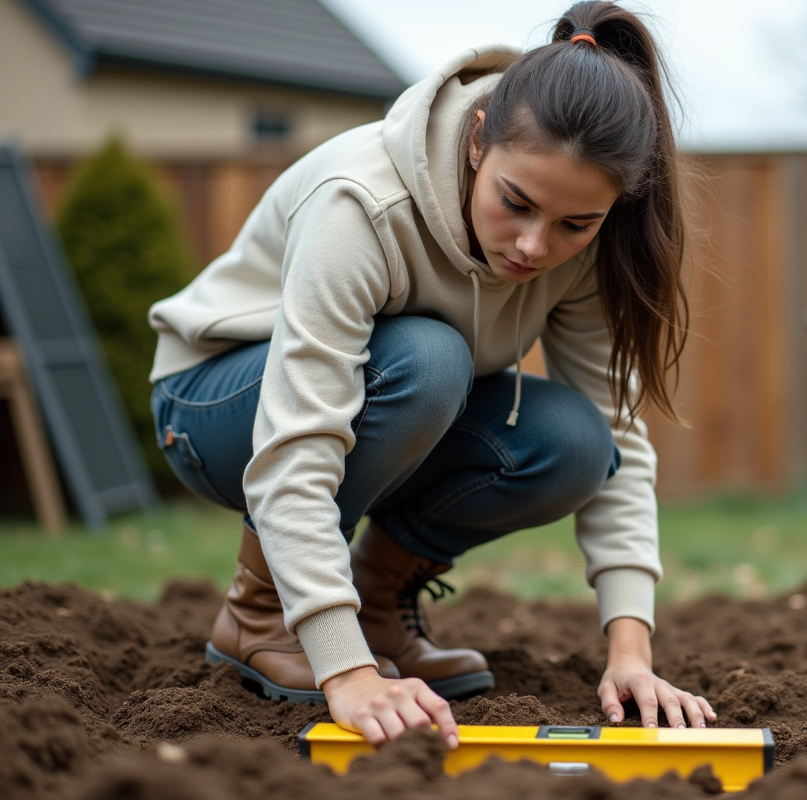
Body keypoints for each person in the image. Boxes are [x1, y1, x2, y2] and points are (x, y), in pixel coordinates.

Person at [147, 0, 715, 749]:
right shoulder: (361, 204)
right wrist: (346, 673)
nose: (535, 246)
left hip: (386, 404)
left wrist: (631, 653)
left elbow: (618, 443)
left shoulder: (583, 249)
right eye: (516, 203)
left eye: (577, 224)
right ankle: (262, 613)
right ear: (478, 142)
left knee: (578, 442)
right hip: (215, 407)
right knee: (428, 358)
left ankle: (378, 601)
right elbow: (297, 444)